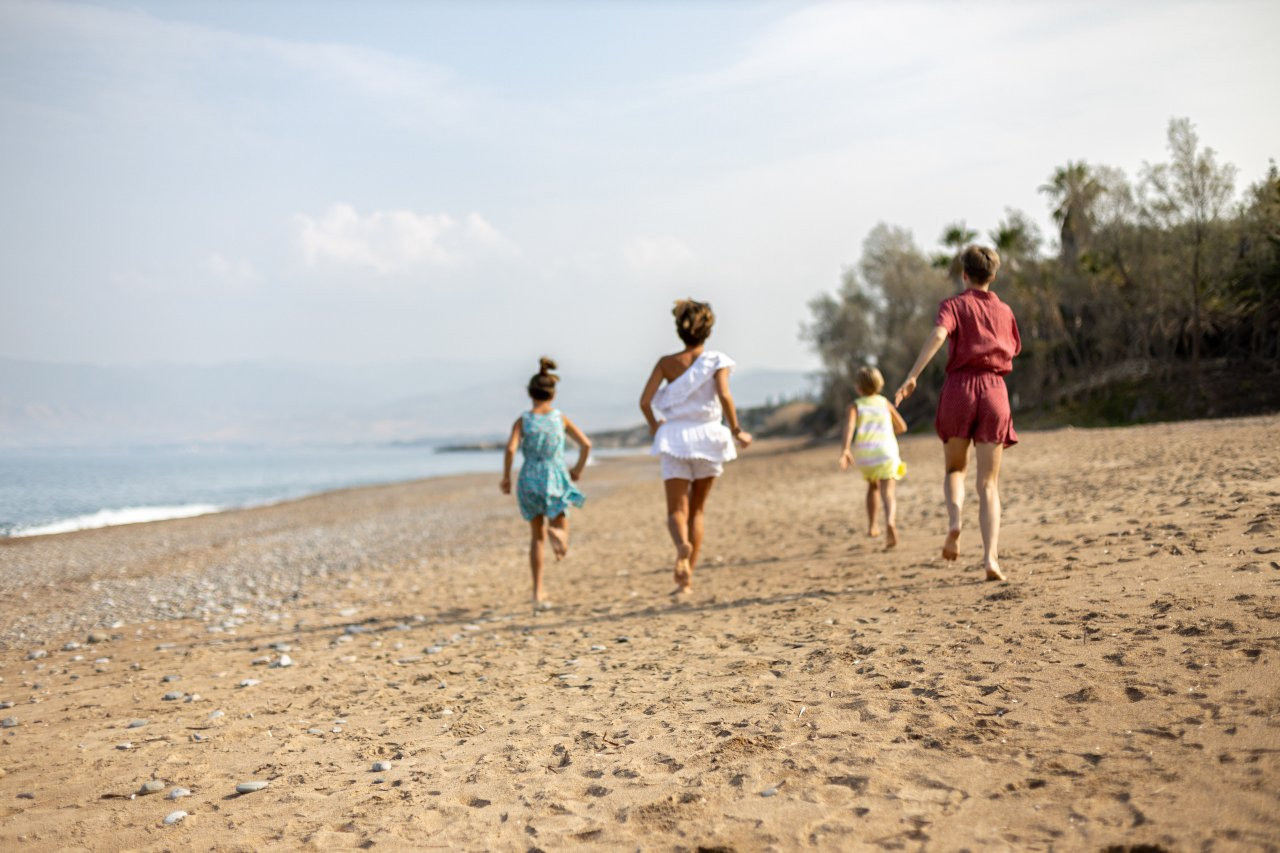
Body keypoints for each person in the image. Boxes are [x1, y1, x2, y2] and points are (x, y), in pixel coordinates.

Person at [894, 245, 1020, 581]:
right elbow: (1012, 349)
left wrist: (913, 376)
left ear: (964, 274)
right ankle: (991, 559)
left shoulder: (954, 305)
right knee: (989, 484)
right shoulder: (1005, 311)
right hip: (994, 390)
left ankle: (954, 522)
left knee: (955, 469)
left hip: (960, 390)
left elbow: (939, 333)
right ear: (993, 275)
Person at [640, 299, 752, 595]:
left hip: (674, 437)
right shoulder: (717, 361)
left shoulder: (666, 363)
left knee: (677, 509)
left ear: (680, 330)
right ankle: (687, 579)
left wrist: (654, 426)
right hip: (709, 436)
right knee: (698, 511)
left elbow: (644, 401)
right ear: (708, 330)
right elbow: (725, 397)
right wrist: (737, 430)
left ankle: (681, 546)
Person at [500, 358, 591, 607]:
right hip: (555, 475)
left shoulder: (524, 420)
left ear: (530, 393)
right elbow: (586, 444)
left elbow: (510, 449)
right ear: (553, 393)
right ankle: (559, 533)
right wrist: (578, 469)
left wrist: (506, 477)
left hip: (529, 477)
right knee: (561, 523)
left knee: (536, 537)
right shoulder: (560, 419)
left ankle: (538, 591)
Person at [839, 366, 908, 548]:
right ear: (879, 384)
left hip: (866, 453)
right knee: (888, 491)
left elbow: (850, 427)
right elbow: (902, 427)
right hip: (886, 450)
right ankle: (890, 521)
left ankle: (872, 526)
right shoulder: (884, 403)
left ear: (858, 387)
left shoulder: (855, 406)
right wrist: (885, 430)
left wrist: (846, 449)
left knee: (872, 487)